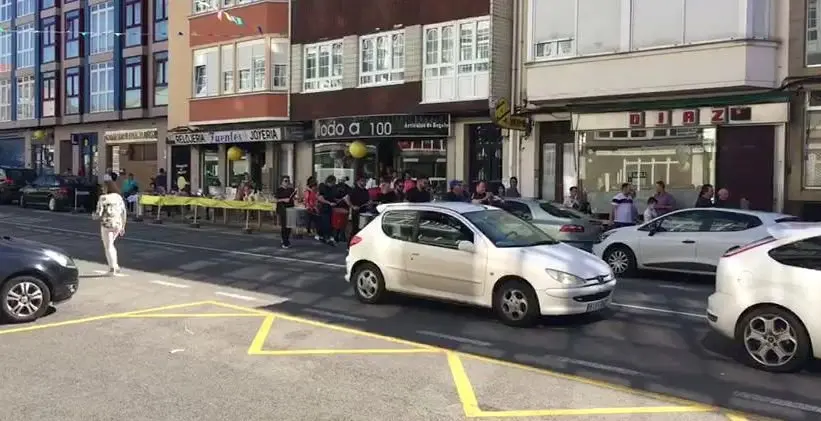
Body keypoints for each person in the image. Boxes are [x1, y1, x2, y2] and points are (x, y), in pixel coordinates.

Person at [93, 176, 127, 275]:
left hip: (107, 224)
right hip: (118, 223)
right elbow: (123, 212)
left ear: (107, 188)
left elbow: (98, 214)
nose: (102, 189)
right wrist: (123, 226)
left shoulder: (103, 198)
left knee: (108, 246)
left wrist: (93, 216)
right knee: (111, 245)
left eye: (104, 187)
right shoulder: (118, 197)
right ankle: (115, 265)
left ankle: (112, 268)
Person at [275, 176, 296, 248]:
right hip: (282, 209)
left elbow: (293, 197)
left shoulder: (291, 189)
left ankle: (286, 238)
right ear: (282, 182)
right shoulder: (279, 190)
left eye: (288, 181)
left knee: (289, 225)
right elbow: (276, 199)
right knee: (284, 226)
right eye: (285, 181)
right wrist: (284, 200)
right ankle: (285, 241)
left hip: (290, 209)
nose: (287, 182)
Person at [316, 175, 337, 245]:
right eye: (334, 182)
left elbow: (332, 197)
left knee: (329, 223)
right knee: (326, 223)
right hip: (323, 208)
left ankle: (325, 236)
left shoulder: (332, 188)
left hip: (330, 208)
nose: (334, 184)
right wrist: (329, 203)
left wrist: (336, 200)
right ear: (330, 181)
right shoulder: (323, 187)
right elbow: (320, 198)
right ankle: (325, 237)